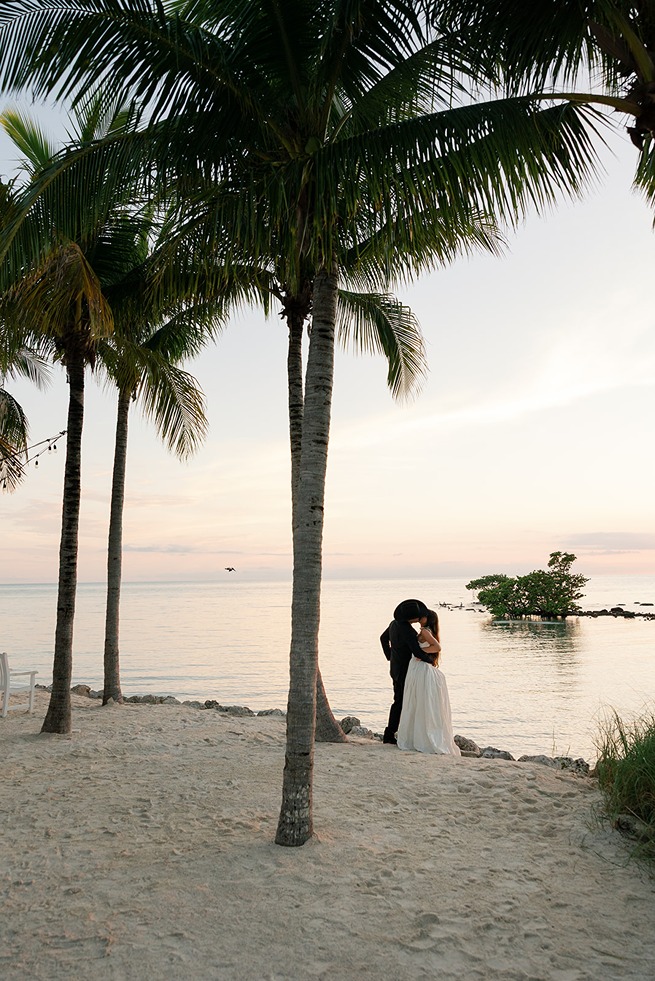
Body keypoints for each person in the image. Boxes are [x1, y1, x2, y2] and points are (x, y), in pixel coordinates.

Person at [396, 610, 460, 756]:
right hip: (417, 666)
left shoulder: (425, 631)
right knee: (418, 700)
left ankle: (420, 737)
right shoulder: (426, 631)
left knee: (417, 700)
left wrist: (419, 650)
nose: (419, 618)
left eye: (422, 616)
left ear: (427, 618)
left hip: (419, 666)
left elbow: (437, 647)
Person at [380, 599, 434, 744]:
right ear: (414, 618)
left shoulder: (394, 624)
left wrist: (390, 656)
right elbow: (417, 652)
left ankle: (392, 732)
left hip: (395, 668)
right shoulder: (409, 631)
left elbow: (383, 638)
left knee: (398, 701)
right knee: (401, 702)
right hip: (405, 671)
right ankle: (390, 734)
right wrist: (431, 661)